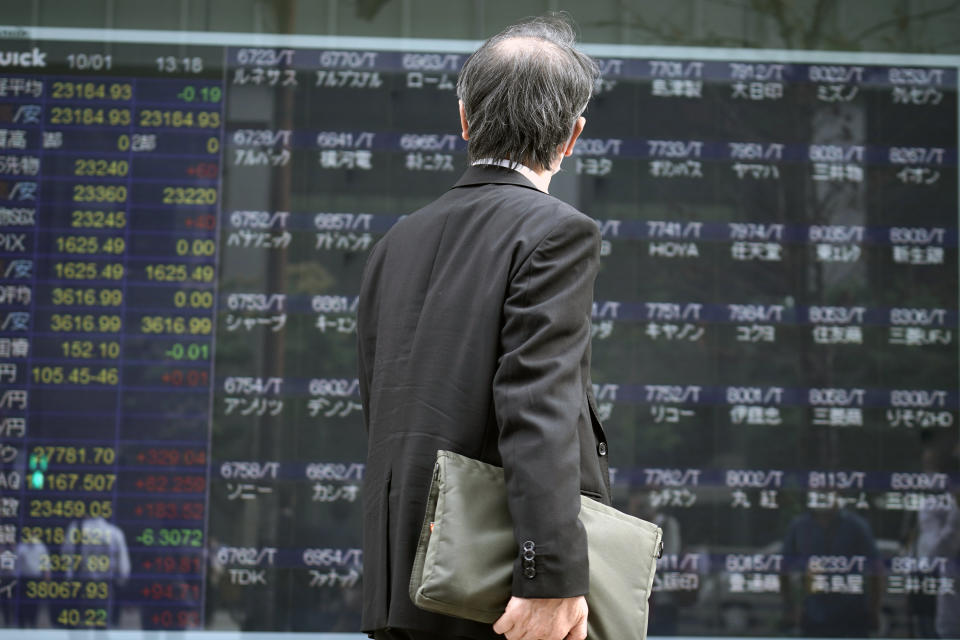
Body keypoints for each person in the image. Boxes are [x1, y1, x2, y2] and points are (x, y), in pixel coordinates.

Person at [357, 13, 609, 640]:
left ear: (465, 120)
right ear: (572, 137)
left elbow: (384, 406)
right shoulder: (557, 232)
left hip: (403, 590)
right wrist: (547, 576)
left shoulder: (396, 240)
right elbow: (538, 409)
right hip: (499, 600)